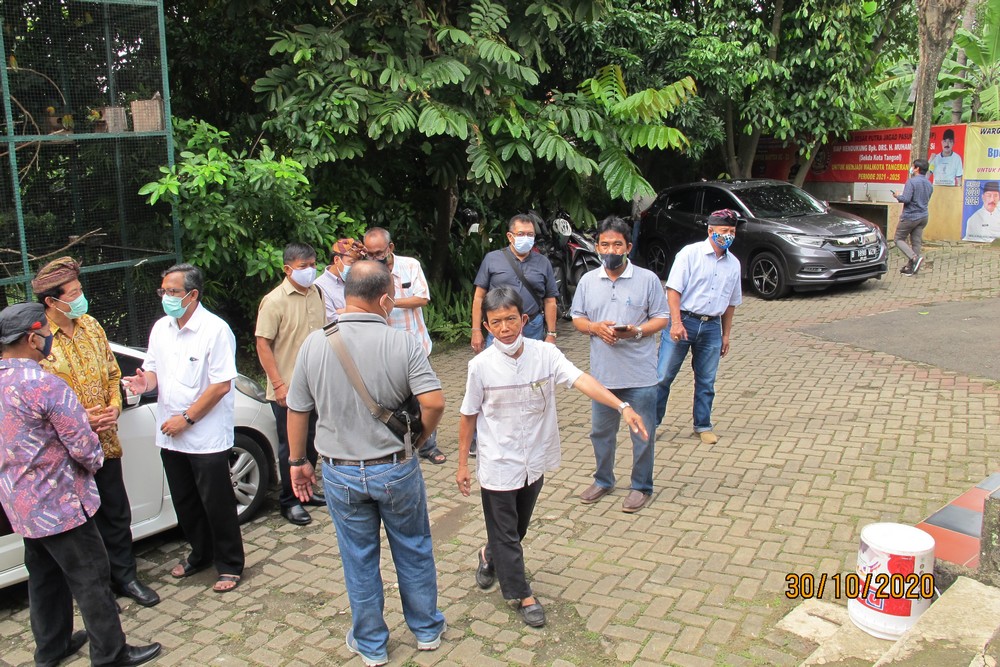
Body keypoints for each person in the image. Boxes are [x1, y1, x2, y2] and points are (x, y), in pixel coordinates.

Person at [285, 260, 447, 667]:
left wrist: (298, 461)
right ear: (386, 300)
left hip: (339, 471)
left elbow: (297, 409)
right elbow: (434, 403)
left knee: (358, 557)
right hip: (394, 466)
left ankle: (372, 644)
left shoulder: (314, 343)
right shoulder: (403, 343)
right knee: (413, 547)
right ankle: (426, 630)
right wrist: (418, 440)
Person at [457, 287, 647, 627]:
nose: (505, 328)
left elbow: (581, 379)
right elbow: (468, 415)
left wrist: (623, 406)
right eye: (496, 322)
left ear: (523, 319)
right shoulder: (479, 366)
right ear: (486, 326)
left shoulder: (545, 354)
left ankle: (489, 554)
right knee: (507, 533)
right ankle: (521, 594)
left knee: (516, 528)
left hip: (534, 459)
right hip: (498, 461)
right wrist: (461, 465)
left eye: (510, 319)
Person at [0, 302, 162, 667]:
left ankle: (51, 648)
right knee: (91, 577)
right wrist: (93, 459)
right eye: (45, 334)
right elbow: (84, 448)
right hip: (61, 506)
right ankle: (110, 654)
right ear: (32, 339)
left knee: (43, 577)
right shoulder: (46, 385)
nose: (49, 339)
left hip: (22, 506)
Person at [32, 257, 161, 608]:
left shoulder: (90, 325)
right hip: (65, 452)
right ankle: (97, 592)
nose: (81, 297)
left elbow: (112, 373)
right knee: (82, 525)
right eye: (73, 293)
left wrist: (114, 407)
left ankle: (126, 577)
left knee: (116, 512)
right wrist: (78, 420)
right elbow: (36, 400)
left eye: (80, 290)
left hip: (105, 442)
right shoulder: (38, 339)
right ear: (51, 301)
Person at [122, 263, 244, 594]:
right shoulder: (161, 328)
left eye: (173, 292)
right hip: (170, 434)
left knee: (216, 503)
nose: (166, 297)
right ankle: (200, 554)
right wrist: (144, 383)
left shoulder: (215, 330)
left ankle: (230, 563)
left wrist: (187, 419)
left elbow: (220, 386)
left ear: (192, 295)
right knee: (185, 502)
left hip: (205, 435)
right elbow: (152, 371)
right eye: (163, 291)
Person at [570, 216, 669, 513]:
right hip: (603, 377)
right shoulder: (588, 281)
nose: (610, 250)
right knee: (600, 433)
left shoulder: (648, 280)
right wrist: (595, 328)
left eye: (617, 244)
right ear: (597, 247)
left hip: (641, 375)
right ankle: (603, 480)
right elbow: (577, 318)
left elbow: (662, 318)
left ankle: (641, 486)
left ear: (628, 247)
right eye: (604, 244)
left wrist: (637, 331)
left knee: (642, 434)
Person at [655, 209, 743, 446]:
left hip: (712, 326)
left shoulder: (734, 264)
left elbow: (731, 303)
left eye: (732, 231)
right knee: (663, 376)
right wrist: (676, 323)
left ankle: (702, 425)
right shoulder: (690, 254)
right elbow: (673, 290)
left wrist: (726, 334)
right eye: (724, 231)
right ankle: (652, 424)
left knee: (706, 380)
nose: (728, 235)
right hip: (684, 321)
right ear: (710, 230)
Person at [255, 243, 327, 526]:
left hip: (316, 385)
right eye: (303, 266)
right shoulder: (274, 301)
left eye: (313, 264)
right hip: (287, 388)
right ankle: (289, 500)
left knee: (311, 441)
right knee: (290, 446)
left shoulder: (317, 293)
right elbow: (263, 344)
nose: (310, 270)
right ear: (287, 269)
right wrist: (278, 385)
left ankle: (306, 491)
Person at [363, 227, 446, 465]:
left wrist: (389, 302)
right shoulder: (366, 272)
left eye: (379, 252)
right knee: (389, 401)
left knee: (424, 398)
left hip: (416, 347)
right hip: (382, 350)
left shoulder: (410, 265)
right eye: (369, 253)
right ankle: (396, 447)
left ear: (390, 248)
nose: (374, 257)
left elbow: (422, 298)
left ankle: (428, 446)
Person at [470, 213, 559, 353]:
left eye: (530, 234)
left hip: (532, 326)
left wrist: (551, 334)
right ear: (510, 236)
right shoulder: (492, 259)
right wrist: (476, 330)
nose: (526, 238)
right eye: (521, 234)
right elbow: (479, 297)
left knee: (533, 365)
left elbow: (550, 301)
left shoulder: (543, 262)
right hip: (500, 327)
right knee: (496, 364)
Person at [890, 158, 933, 275]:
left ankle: (914, 258)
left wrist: (897, 196)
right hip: (923, 216)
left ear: (917, 169)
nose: (912, 168)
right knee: (916, 242)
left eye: (913, 166)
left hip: (910, 216)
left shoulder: (911, 182)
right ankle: (912, 268)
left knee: (898, 239)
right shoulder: (929, 184)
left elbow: (906, 199)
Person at [315, 237, 367, 323]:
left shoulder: (359, 280)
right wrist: (359, 310)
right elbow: (331, 319)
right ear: (336, 260)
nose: (355, 267)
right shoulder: (319, 286)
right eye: (352, 262)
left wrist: (342, 311)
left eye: (357, 264)